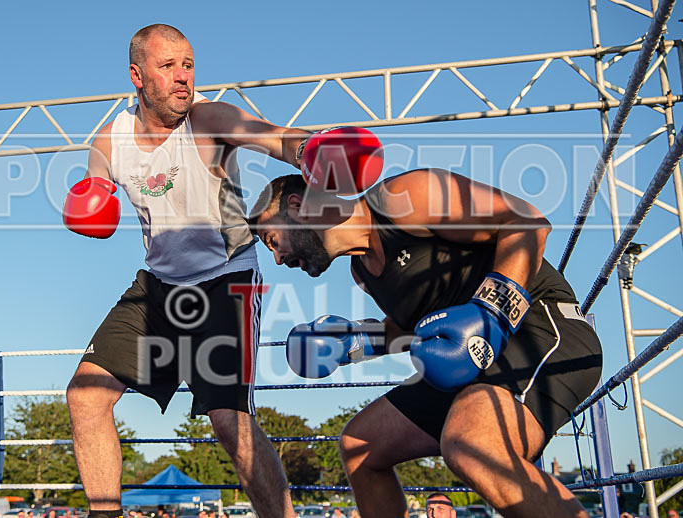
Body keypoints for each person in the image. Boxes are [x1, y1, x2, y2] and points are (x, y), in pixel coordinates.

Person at [63, 22, 320, 518]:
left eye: (188, 65)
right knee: (85, 397)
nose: (183, 77)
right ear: (137, 76)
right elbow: (95, 182)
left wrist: (320, 150)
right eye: (168, 66)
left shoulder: (209, 120)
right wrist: (90, 196)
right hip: (158, 286)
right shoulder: (111, 139)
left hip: (227, 280)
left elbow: (280, 140)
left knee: (228, 420)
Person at [249, 169, 603, 518]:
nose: (278, 259)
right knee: (361, 446)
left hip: (540, 328)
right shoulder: (363, 273)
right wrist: (353, 343)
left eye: (272, 240)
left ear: (296, 206)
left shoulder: (402, 198)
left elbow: (526, 222)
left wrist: (491, 312)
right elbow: (411, 328)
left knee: (472, 444)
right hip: (475, 357)